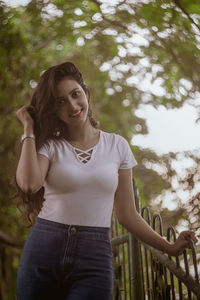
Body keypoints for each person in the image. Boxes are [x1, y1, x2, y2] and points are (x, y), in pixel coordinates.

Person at [14, 61, 198, 300]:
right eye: (61, 101)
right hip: (44, 250)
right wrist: (29, 128)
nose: (72, 105)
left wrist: (169, 247)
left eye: (75, 94)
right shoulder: (51, 146)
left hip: (93, 257)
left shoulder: (117, 145)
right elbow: (29, 183)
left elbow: (127, 214)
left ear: (85, 92)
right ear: (54, 109)